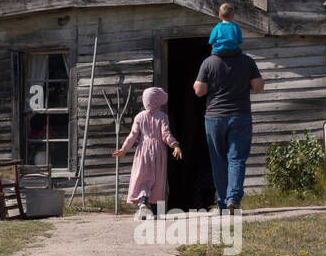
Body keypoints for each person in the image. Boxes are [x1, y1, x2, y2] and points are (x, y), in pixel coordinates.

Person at [194, 47, 263, 213]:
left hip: (215, 118)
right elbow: (258, 87)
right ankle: (233, 198)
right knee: (236, 159)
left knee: (219, 160)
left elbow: (199, 91)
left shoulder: (209, 63)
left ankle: (223, 203)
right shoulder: (247, 61)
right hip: (240, 116)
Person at [113, 87, 182, 220]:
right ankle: (156, 212)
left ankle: (142, 203)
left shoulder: (139, 117)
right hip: (158, 152)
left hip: (143, 150)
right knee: (157, 179)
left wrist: (124, 149)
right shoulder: (162, 117)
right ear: (157, 101)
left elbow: (132, 135)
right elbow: (165, 134)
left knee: (143, 177)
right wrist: (175, 145)